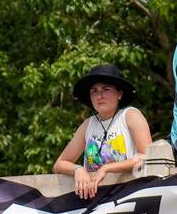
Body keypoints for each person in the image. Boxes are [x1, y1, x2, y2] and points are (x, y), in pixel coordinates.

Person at [53, 64, 152, 200]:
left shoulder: (130, 116)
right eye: (94, 91)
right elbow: (59, 164)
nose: (99, 95)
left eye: (106, 89)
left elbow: (146, 157)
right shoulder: (88, 124)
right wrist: (78, 170)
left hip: (127, 197)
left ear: (119, 94)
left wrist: (106, 168)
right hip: (94, 203)